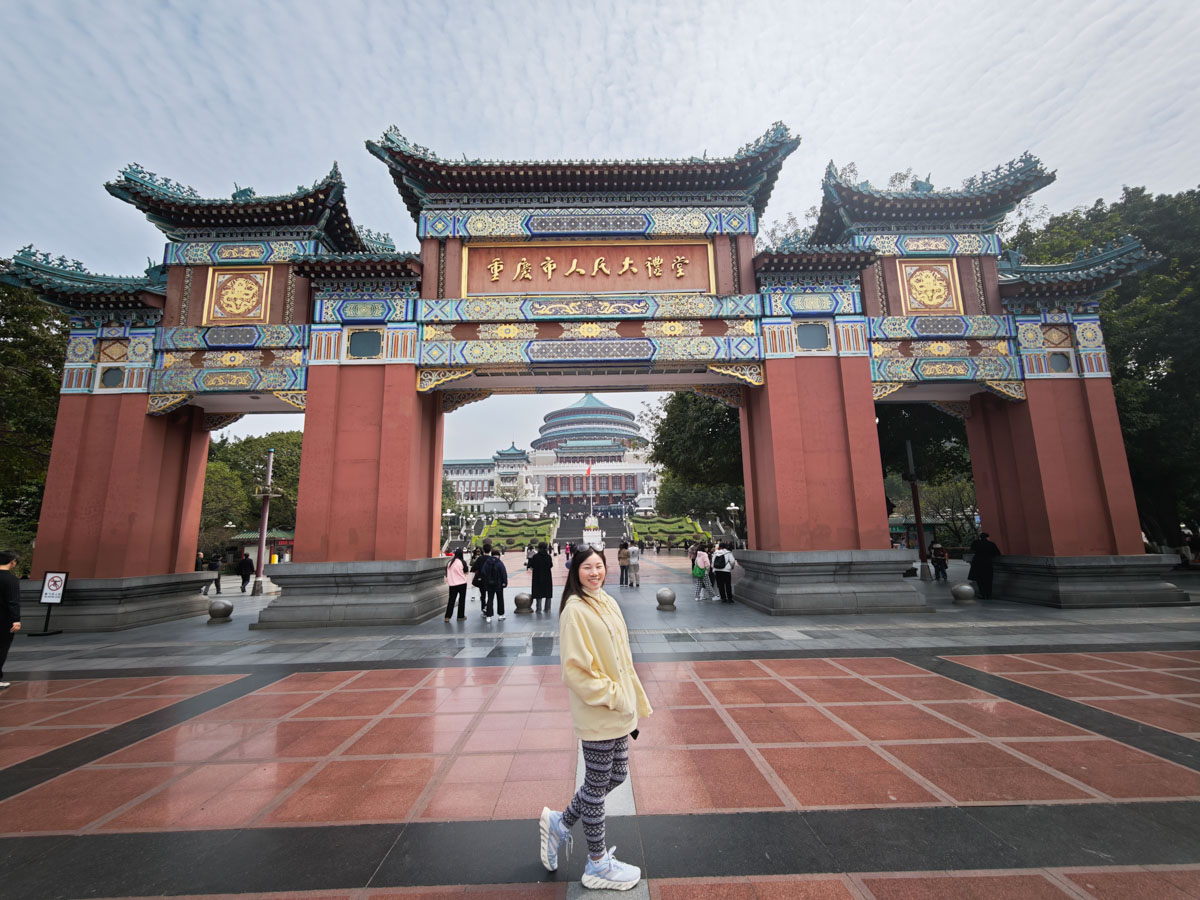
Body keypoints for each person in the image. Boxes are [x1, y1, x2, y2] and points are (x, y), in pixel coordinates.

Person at [539, 547, 652, 891]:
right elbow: (575, 672)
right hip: (599, 711)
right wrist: (616, 696)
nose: (594, 572)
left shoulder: (607, 601)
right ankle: (597, 863)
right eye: (587, 567)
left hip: (618, 711)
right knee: (596, 784)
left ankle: (560, 823)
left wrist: (630, 700)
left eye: (599, 566)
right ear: (575, 571)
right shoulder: (575, 610)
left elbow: (622, 657)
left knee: (615, 775)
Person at [0, 550, 21, 689]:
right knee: (2, 648)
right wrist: (16, 620)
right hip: (4, 619)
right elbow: (13, 602)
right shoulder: (10, 579)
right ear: (12, 562)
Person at [968, 532, 1002, 599]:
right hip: (987, 563)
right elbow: (997, 553)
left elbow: (972, 549)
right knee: (988, 580)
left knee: (979, 580)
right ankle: (988, 594)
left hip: (977, 563)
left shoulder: (976, 543)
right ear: (987, 537)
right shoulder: (991, 544)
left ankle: (982, 594)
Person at [482, 547, 508, 622]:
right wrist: (504, 582)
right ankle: (500, 615)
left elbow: (483, 572)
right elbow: (503, 573)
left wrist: (486, 580)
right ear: (498, 556)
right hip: (499, 584)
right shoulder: (499, 563)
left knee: (490, 599)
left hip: (489, 585)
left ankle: (489, 616)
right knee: (500, 599)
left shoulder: (487, 562)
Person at [528, 541, 555, 612]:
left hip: (537, 577)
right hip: (547, 577)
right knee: (548, 593)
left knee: (538, 592)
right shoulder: (548, 556)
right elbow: (550, 565)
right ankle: (547, 608)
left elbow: (532, 565)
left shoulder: (535, 557)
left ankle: (538, 608)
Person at [444, 548, 469, 621]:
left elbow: (447, 573)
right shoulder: (462, 562)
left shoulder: (450, 562)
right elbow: (466, 571)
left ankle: (447, 617)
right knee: (461, 600)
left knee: (451, 600)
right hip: (462, 583)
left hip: (452, 584)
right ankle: (460, 616)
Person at [471, 543, 491, 616]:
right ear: (490, 550)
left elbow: (474, 568)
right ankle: (489, 609)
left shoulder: (480, 559)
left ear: (483, 550)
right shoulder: (492, 559)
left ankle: (484, 609)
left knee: (483, 596)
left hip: (481, 579)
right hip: (490, 579)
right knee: (490, 595)